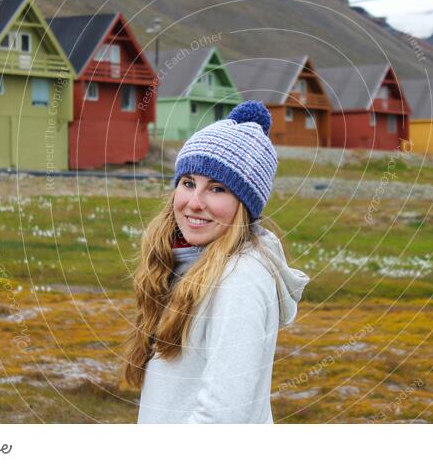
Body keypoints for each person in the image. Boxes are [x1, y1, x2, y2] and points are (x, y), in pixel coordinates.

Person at [124, 100, 310, 423]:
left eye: (217, 188)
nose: (194, 203)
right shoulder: (185, 262)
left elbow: (221, 420)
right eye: (188, 183)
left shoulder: (240, 281)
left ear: (244, 204)